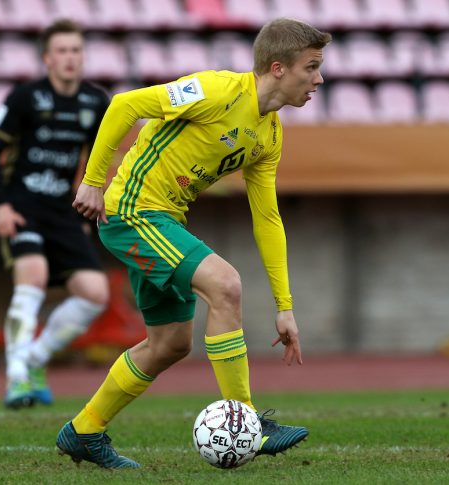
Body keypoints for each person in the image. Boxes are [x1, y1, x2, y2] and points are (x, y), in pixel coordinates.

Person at [56, 18, 331, 468]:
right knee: (225, 285)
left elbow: (267, 218)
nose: (319, 79)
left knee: (170, 344)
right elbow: (125, 104)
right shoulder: (216, 91)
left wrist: (285, 306)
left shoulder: (269, 134)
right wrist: (92, 181)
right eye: (312, 67)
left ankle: (84, 430)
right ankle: (248, 421)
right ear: (278, 68)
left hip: (164, 220)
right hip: (131, 212)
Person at [0, 19, 110, 409]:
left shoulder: (95, 102)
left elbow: (96, 163)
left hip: (62, 211)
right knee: (33, 277)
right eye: (62, 51)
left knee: (95, 293)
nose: (70, 58)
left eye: (76, 50)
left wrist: (84, 217)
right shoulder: (24, 97)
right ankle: (16, 378)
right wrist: (2, 206)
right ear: (47, 58)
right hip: (23, 208)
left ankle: (35, 360)